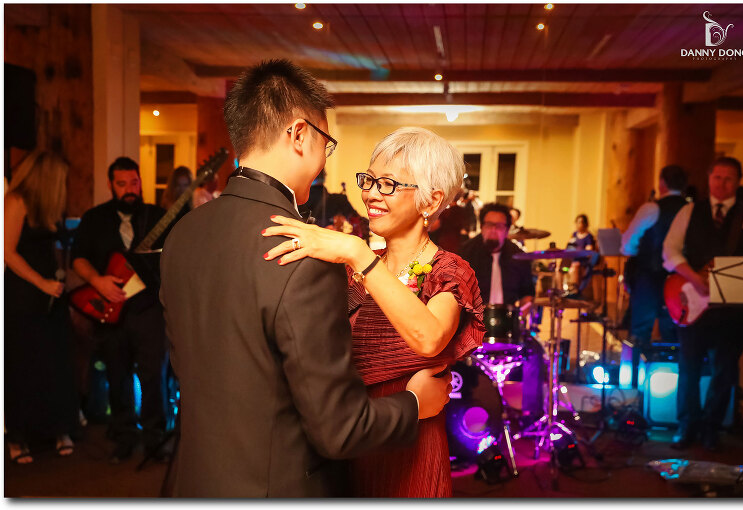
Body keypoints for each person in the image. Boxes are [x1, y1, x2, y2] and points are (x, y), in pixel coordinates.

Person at [159, 60, 451, 498]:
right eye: (325, 143)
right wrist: (413, 404)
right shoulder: (304, 253)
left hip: (194, 482)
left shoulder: (183, 233)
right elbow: (339, 430)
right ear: (298, 135)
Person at [263, 126, 485, 497]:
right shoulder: (352, 269)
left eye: (388, 184)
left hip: (410, 452)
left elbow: (429, 338)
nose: (370, 194)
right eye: (369, 180)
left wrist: (358, 252)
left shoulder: (449, 271)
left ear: (431, 201)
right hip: (344, 440)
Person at [71, 157, 169, 463]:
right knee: (117, 375)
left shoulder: (157, 216)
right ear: (111, 185)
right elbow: (78, 258)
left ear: (140, 182)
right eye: (122, 184)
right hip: (111, 311)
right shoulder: (94, 219)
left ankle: (155, 439)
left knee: (153, 376)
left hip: (149, 308)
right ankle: (124, 436)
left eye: (134, 183)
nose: (129, 189)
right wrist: (97, 281)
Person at [663, 157, 743, 451]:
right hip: (692, 301)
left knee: (724, 370)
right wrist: (694, 277)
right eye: (717, 177)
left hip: (733, 308)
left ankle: (711, 428)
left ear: (738, 182)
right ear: (708, 178)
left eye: (728, 179)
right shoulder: (690, 211)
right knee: (688, 367)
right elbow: (670, 251)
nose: (722, 183)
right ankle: (686, 425)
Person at [4, 150, 80, 464]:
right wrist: (41, 283)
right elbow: (7, 252)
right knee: (24, 363)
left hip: (52, 289)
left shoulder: (49, 205)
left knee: (56, 360)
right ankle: (18, 436)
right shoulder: (15, 201)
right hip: (25, 292)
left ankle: (59, 428)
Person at [458, 203, 544, 422]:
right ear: (481, 227)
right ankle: (466, 410)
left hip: (508, 328)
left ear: (507, 230)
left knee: (535, 352)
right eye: (489, 225)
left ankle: (529, 417)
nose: (493, 230)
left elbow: (527, 293)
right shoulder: (465, 253)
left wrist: (526, 305)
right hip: (473, 325)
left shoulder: (519, 257)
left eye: (499, 226)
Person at [621, 165, 688, 387]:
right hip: (679, 281)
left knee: (640, 332)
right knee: (674, 334)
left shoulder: (651, 209)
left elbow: (627, 245)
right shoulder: (691, 210)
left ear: (662, 183)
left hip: (649, 278)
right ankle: (673, 387)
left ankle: (634, 386)